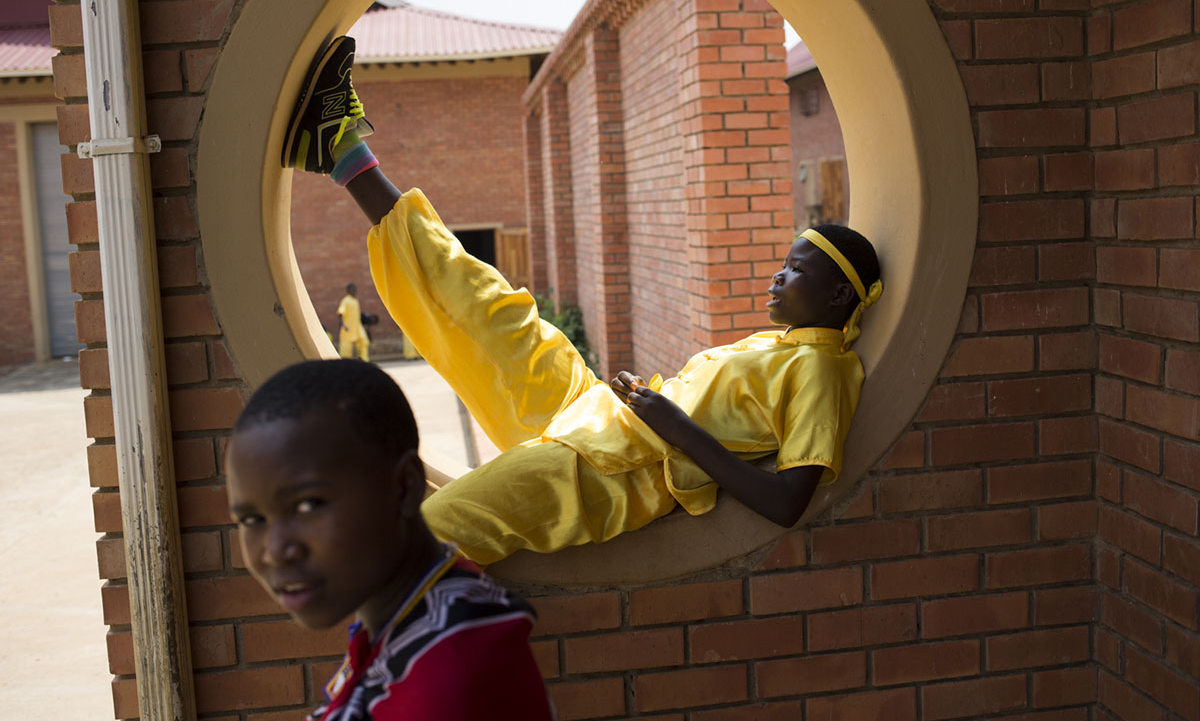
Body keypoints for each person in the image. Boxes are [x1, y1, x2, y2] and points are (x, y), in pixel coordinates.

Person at [283, 36, 882, 566]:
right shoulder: (784, 345)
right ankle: (336, 146)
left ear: (835, 293)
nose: (777, 279)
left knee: (439, 525)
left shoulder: (825, 371)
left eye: (795, 270)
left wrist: (674, 426)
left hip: (614, 470)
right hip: (600, 410)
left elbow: (788, 502)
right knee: (487, 301)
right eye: (782, 265)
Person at [225, 358, 555, 721]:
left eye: (309, 505)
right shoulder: (410, 622)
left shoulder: (450, 676)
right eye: (252, 519)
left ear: (404, 486)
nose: (275, 551)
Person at [336, 283, 370, 361]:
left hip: (357, 327)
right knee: (346, 349)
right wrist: (344, 325)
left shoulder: (355, 300)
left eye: (354, 290)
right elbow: (340, 313)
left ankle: (364, 360)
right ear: (348, 291)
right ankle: (345, 364)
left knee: (364, 342)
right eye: (351, 290)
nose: (353, 291)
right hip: (348, 328)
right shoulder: (345, 300)